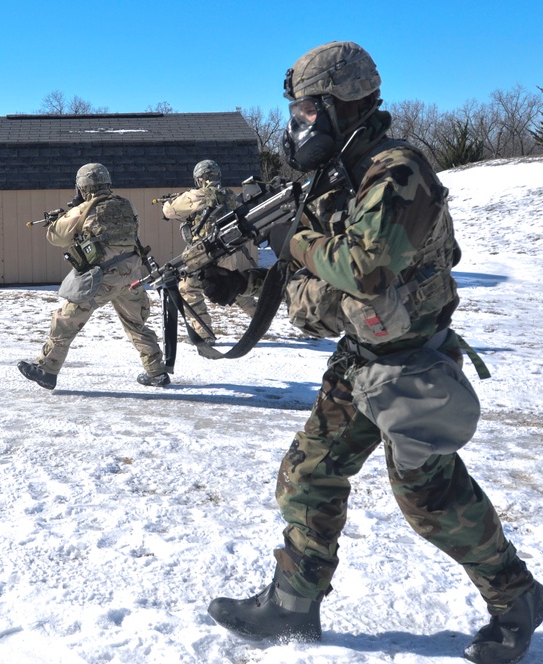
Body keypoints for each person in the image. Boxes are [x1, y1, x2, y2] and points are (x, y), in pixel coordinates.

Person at [205, 41, 542, 664]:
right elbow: (323, 271)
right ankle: (294, 603)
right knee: (308, 476)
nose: (297, 124)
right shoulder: (343, 173)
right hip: (361, 355)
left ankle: (516, 599)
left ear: (339, 104)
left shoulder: (397, 171)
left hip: (411, 364)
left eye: (306, 111)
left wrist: (290, 239)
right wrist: (244, 279)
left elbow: (363, 268)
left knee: (429, 500)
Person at [17, 162, 169, 390]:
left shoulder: (83, 209)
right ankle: (156, 372)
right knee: (136, 325)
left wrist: (62, 218)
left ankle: (47, 370)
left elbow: (57, 238)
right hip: (131, 275)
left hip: (102, 279)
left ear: (83, 187)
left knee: (65, 322)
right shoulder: (126, 205)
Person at [161, 160, 257, 356]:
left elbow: (168, 210)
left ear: (200, 178)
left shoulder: (197, 195)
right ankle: (260, 316)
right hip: (228, 252)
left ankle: (204, 333)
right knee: (233, 288)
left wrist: (173, 200)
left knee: (188, 290)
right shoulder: (230, 195)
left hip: (204, 254)